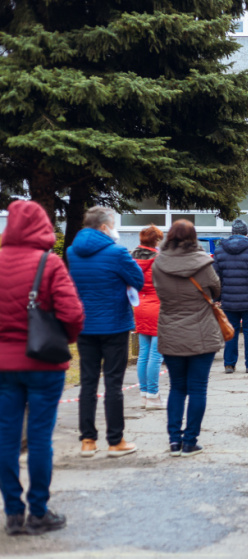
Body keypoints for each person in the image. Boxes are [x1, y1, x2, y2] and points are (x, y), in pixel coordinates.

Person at [0, 201, 84, 536]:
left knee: (5, 437)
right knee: (39, 438)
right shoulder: (48, 264)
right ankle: (38, 511)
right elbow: (73, 313)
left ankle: (13, 513)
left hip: (3, 366)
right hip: (45, 364)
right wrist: (68, 340)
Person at [68, 206, 144, 458]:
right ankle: (115, 440)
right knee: (113, 383)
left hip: (85, 325)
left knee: (88, 382)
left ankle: (88, 440)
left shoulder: (72, 252)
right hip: (114, 325)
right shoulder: (117, 252)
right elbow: (138, 280)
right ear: (103, 227)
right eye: (112, 224)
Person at [152, 220, 225, 458]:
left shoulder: (159, 263)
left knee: (176, 388)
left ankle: (174, 441)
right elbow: (216, 290)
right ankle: (190, 441)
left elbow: (159, 291)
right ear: (194, 237)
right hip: (201, 331)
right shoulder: (203, 264)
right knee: (197, 389)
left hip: (170, 330)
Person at [213, 219, 248, 374]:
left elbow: (215, 277)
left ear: (232, 232)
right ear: (246, 233)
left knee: (231, 330)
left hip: (228, 301)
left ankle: (229, 364)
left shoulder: (219, 251)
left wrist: (216, 298)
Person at [131, 225, 166, 411]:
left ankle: (145, 393)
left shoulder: (132, 257)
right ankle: (153, 395)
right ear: (157, 241)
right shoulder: (159, 260)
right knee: (156, 354)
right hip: (157, 307)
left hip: (140, 307)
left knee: (144, 353)